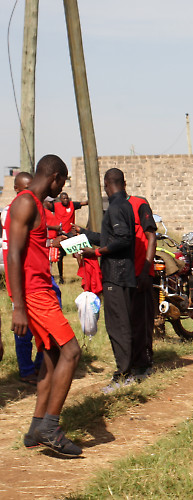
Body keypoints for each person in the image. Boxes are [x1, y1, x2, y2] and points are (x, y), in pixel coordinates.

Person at [4, 154, 82, 456]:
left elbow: (37, 246)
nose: (61, 188)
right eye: (62, 182)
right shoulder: (25, 202)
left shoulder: (36, 205)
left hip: (42, 290)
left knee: (51, 355)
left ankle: (36, 428)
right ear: (55, 178)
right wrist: (19, 306)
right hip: (33, 294)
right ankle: (51, 427)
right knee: (71, 351)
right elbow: (14, 255)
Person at [76, 169, 138, 394]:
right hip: (124, 273)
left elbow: (122, 239)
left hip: (116, 275)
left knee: (118, 327)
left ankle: (124, 374)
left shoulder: (115, 207)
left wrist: (97, 252)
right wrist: (82, 233)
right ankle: (130, 369)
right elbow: (110, 237)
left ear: (105, 185)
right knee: (124, 324)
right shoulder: (125, 205)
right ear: (124, 183)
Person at [1, 173, 43, 385]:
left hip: (33, 274)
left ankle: (38, 366)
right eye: (25, 188)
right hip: (20, 276)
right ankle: (27, 369)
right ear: (17, 189)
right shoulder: (16, 210)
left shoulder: (28, 206)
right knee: (24, 326)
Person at [128, 193, 158, 379]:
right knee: (130, 320)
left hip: (142, 272)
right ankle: (132, 359)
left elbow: (151, 236)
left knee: (143, 320)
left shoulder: (139, 204)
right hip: (126, 274)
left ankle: (145, 361)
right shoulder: (117, 206)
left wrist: (146, 271)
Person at [53, 192, 88, 284]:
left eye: (67, 198)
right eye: (64, 198)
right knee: (60, 257)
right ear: (60, 200)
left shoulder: (72, 205)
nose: (66, 200)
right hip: (60, 234)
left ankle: (83, 275)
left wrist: (92, 200)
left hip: (70, 233)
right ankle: (61, 277)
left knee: (78, 253)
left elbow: (83, 203)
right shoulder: (55, 206)